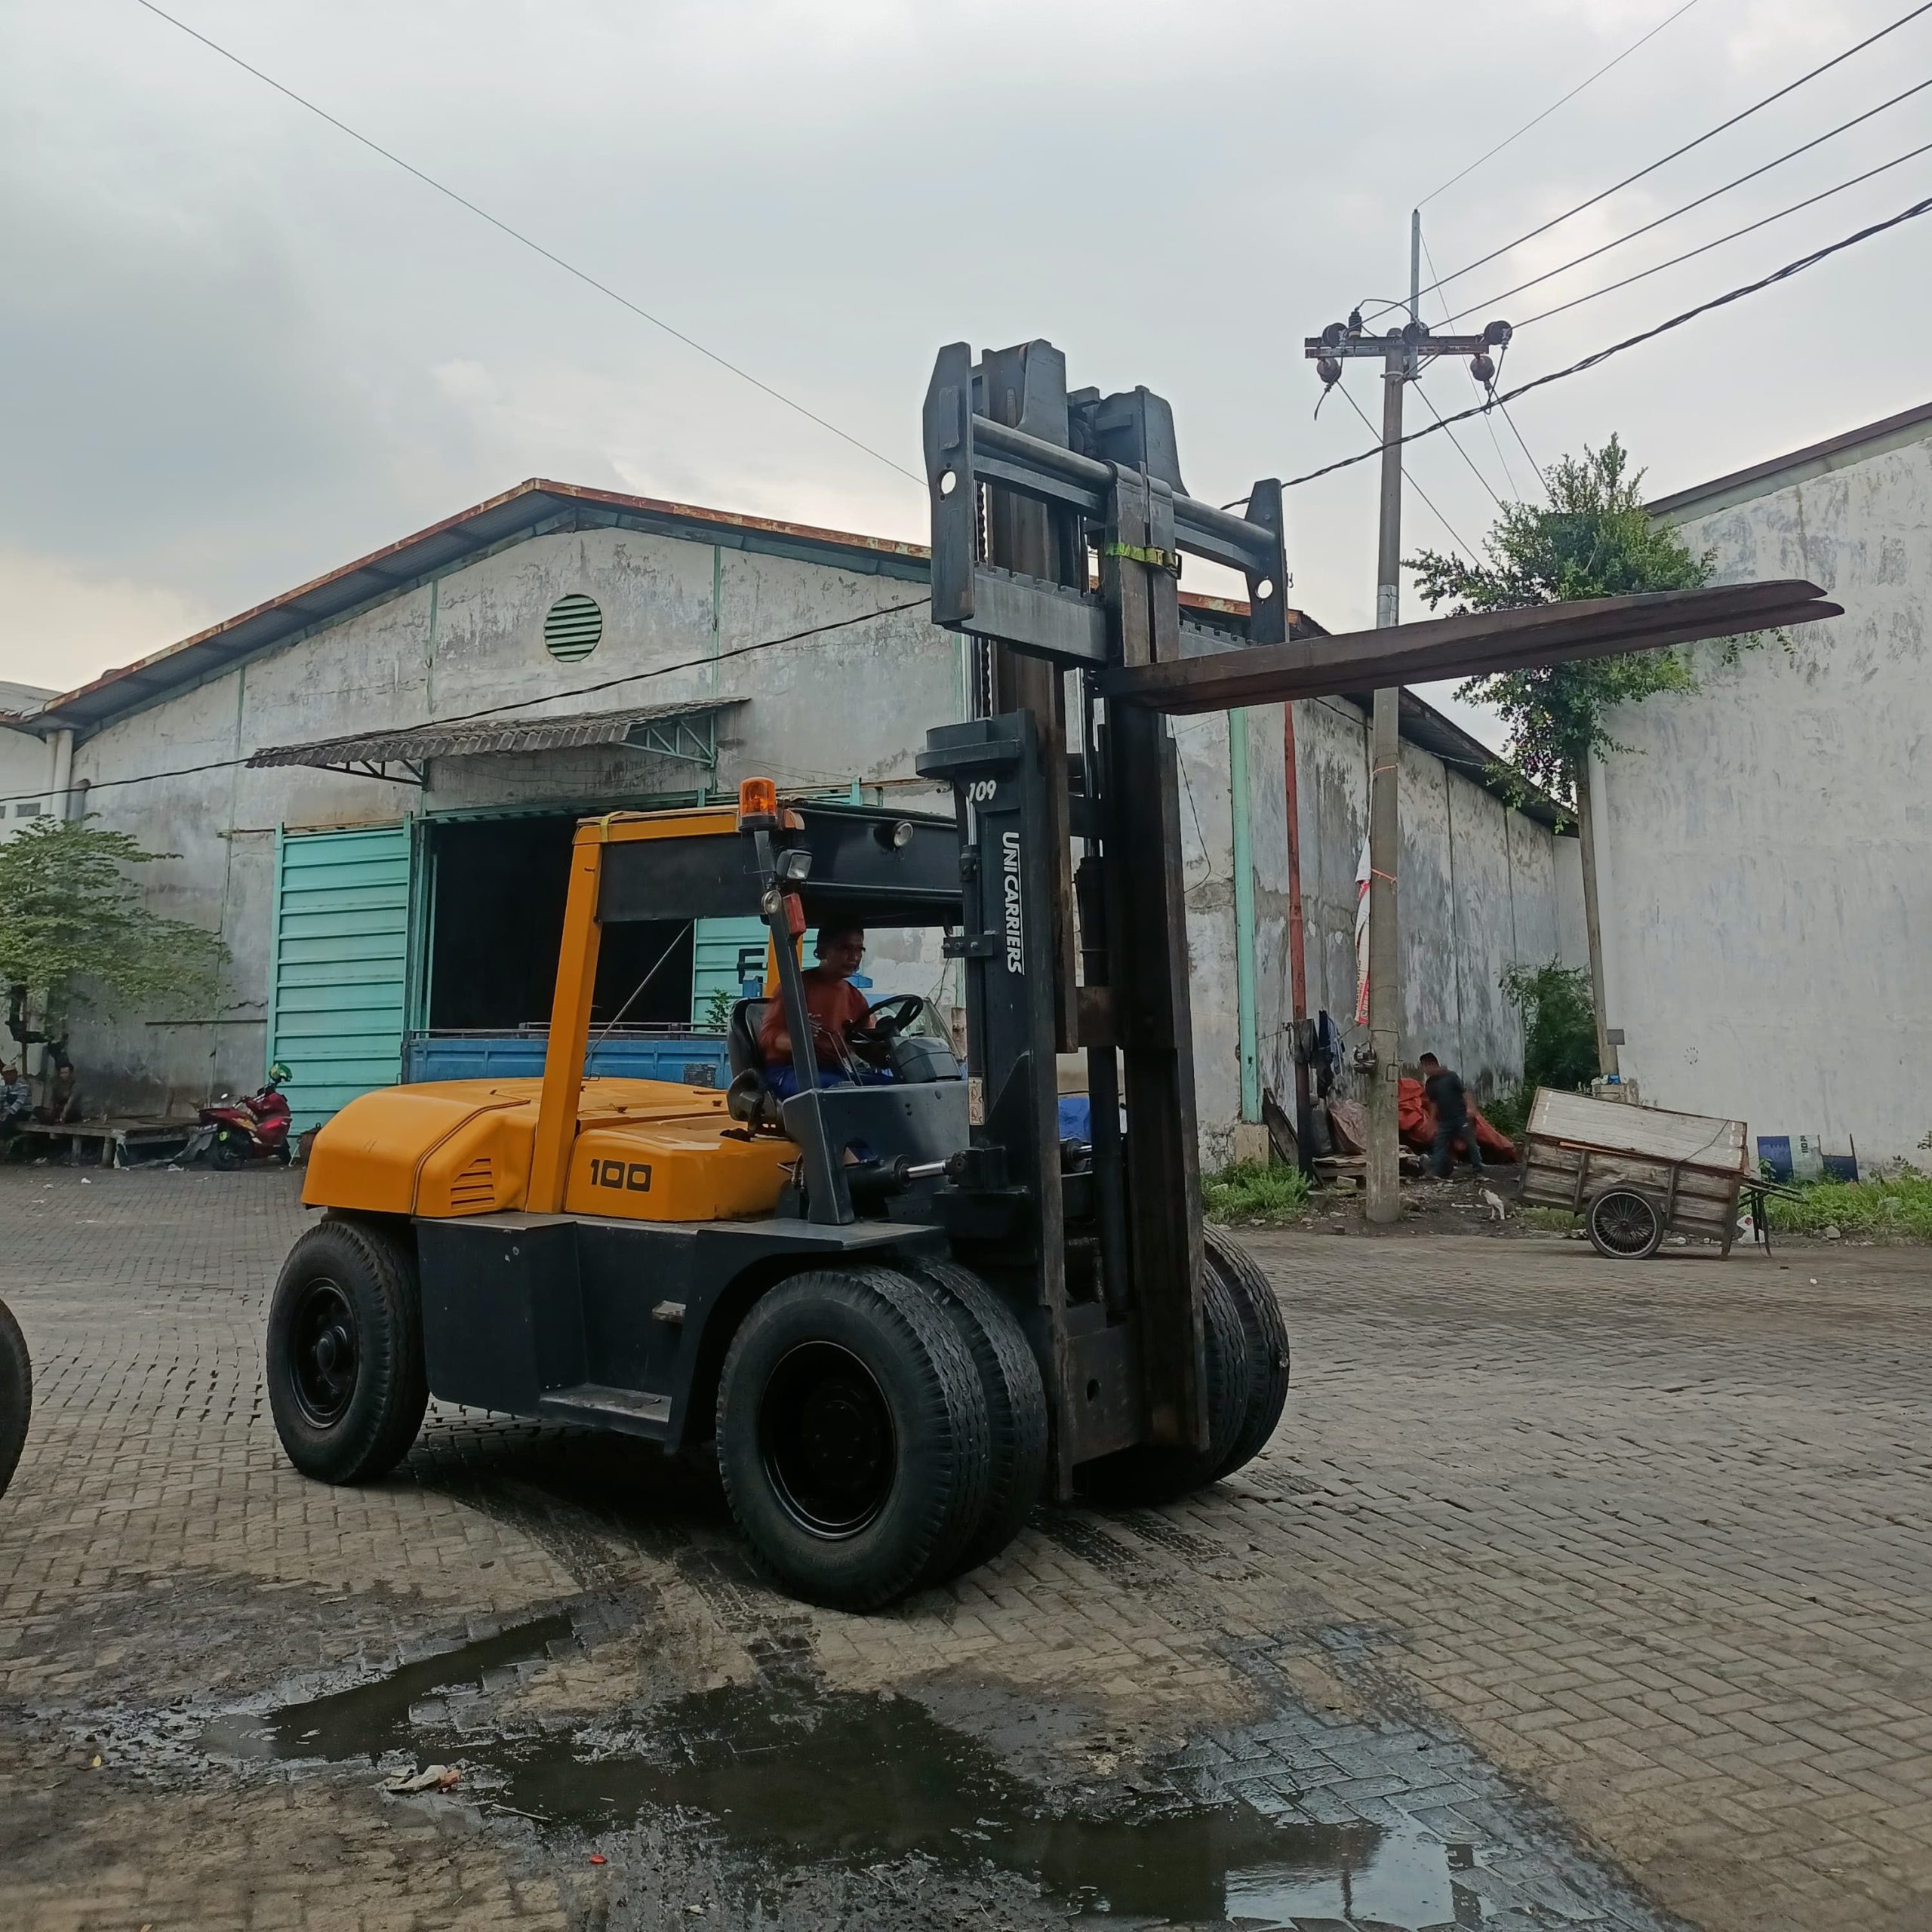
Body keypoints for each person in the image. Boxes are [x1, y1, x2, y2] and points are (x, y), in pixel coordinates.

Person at [758, 926, 887, 1097]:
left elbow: (863, 1044)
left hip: (835, 1071)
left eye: (859, 950)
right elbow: (768, 1036)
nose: (855, 957)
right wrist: (799, 1038)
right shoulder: (797, 988)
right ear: (823, 950)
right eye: (845, 948)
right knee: (839, 1093)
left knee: (897, 1089)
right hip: (790, 1070)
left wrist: (888, 1046)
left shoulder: (856, 998)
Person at [1419, 1051, 1482, 1179]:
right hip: (1445, 1121)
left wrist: (1471, 1108)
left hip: (1460, 1117)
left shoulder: (1451, 1076)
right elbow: (1434, 1103)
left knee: (1470, 1142)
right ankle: (1435, 1171)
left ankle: (1477, 1167)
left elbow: (1464, 1093)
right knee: (1439, 1144)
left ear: (1431, 1064)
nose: (1424, 1070)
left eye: (1424, 1066)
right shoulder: (1430, 1084)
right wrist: (1432, 1121)